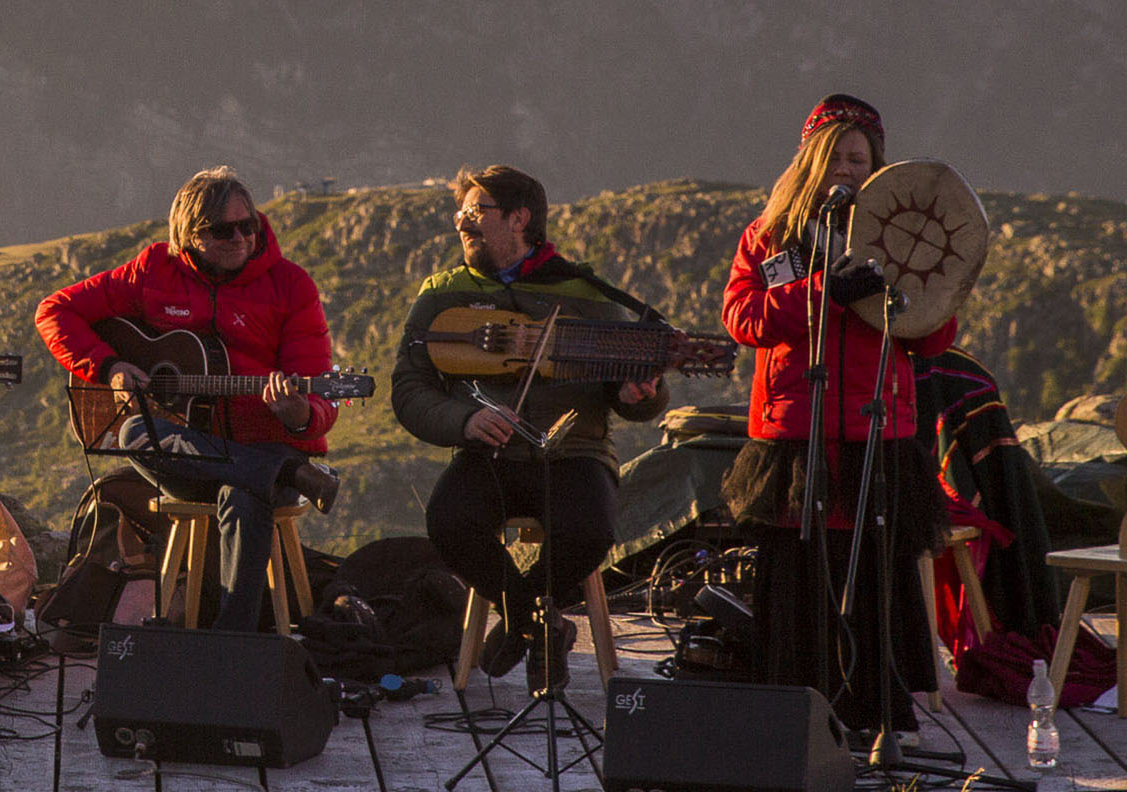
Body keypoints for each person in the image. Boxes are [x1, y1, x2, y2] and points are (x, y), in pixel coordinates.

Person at [718, 92, 957, 738]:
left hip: (876, 427)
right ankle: (796, 714)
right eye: (835, 158)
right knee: (800, 570)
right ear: (810, 164)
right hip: (797, 431)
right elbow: (742, 318)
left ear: (877, 169)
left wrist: (920, 295)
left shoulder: (901, 238)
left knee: (874, 566)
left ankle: (872, 713)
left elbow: (933, 337)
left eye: (859, 159)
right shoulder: (769, 236)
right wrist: (823, 292)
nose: (846, 170)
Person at [389, 164, 665, 680]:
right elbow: (409, 387)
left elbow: (632, 392)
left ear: (520, 218)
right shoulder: (442, 293)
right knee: (449, 521)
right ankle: (541, 625)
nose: (462, 222)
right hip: (488, 455)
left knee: (588, 530)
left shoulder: (586, 294)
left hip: (575, 454)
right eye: (460, 212)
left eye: (477, 211)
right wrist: (466, 420)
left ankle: (522, 622)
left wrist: (638, 394)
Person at [33, 168, 332, 632]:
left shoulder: (290, 286)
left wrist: (299, 414)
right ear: (190, 234)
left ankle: (231, 639)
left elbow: (318, 402)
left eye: (247, 226)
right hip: (189, 460)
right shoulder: (153, 271)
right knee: (134, 430)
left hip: (264, 448)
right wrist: (109, 367)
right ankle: (279, 471)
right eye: (223, 230)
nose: (240, 238)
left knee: (243, 495)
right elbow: (55, 311)